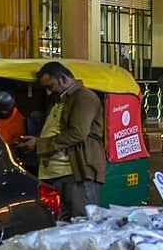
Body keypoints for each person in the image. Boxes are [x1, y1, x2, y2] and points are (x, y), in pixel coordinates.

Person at [16, 62, 105, 220]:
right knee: (60, 228)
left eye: (51, 86)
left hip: (76, 174)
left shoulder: (83, 97)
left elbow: (77, 133)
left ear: (63, 78)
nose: (49, 92)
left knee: (82, 225)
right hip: (58, 176)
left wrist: (39, 144)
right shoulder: (61, 100)